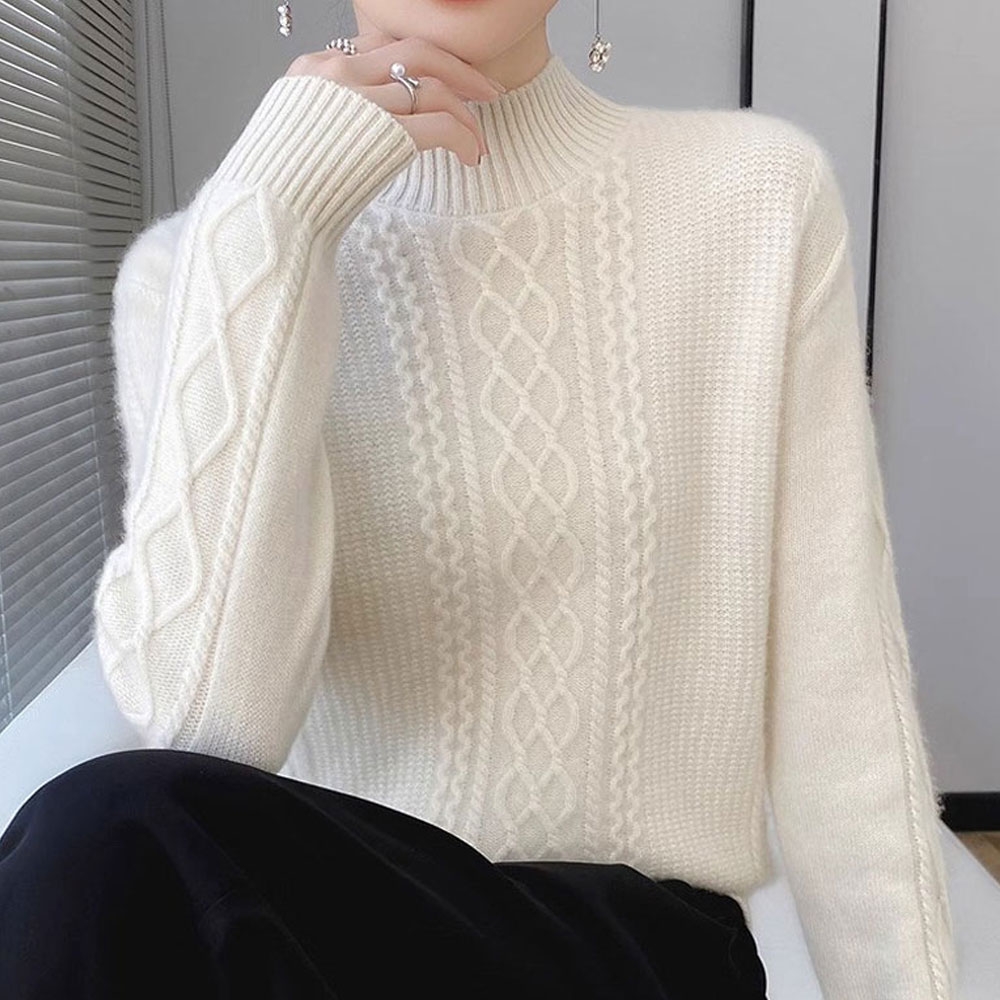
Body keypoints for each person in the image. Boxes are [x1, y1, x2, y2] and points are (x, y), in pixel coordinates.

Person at [0, 1, 957, 998]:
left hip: (631, 952)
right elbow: (208, 731)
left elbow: (838, 672)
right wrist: (271, 219)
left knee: (97, 837)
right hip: (329, 948)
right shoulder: (198, 269)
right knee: (102, 849)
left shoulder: (751, 197)